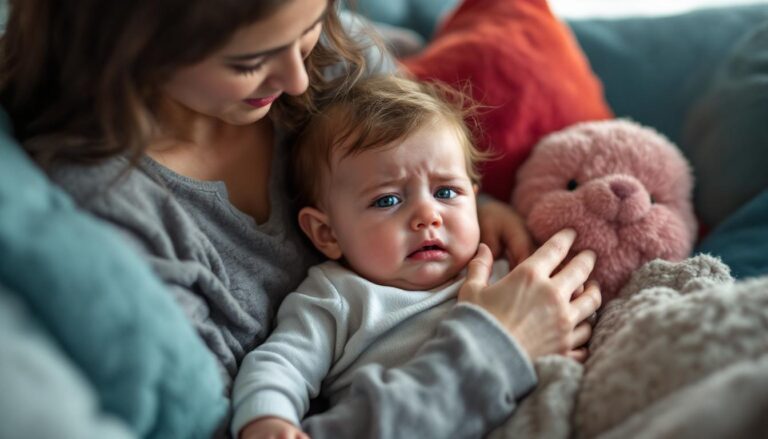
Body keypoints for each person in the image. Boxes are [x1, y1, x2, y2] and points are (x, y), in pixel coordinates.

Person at [0, 0, 602, 437]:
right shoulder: (121, 214)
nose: (296, 81)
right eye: (249, 62)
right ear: (132, 45)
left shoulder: (337, 60)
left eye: (309, 27)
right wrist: (498, 349)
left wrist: (482, 207)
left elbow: (428, 159)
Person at [232, 75, 601, 439]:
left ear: (474, 199)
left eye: (446, 192)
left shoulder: (501, 267)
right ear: (327, 233)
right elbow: (280, 364)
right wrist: (267, 419)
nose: (429, 215)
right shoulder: (337, 296)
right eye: (387, 200)